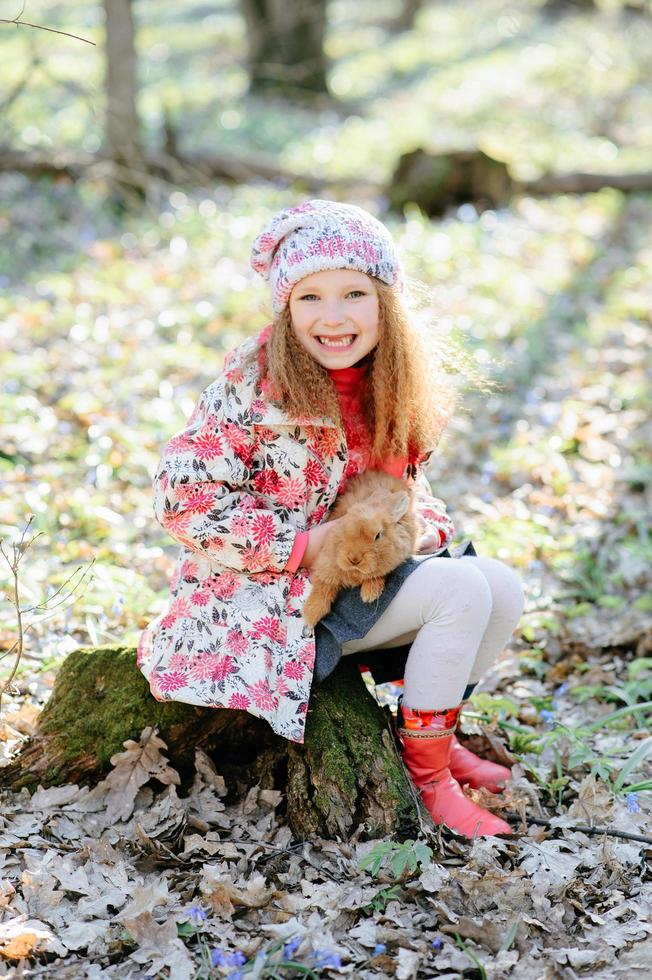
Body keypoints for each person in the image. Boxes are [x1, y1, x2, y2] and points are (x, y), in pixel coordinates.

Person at [137, 199, 525, 839]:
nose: (334, 316)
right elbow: (183, 498)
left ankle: (431, 732)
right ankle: (428, 783)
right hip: (266, 601)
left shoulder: (389, 381)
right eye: (309, 298)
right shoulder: (253, 385)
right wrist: (302, 544)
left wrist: (418, 527)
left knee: (501, 586)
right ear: (286, 308)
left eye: (353, 293)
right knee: (460, 590)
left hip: (357, 575)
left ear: (385, 303)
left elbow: (401, 488)